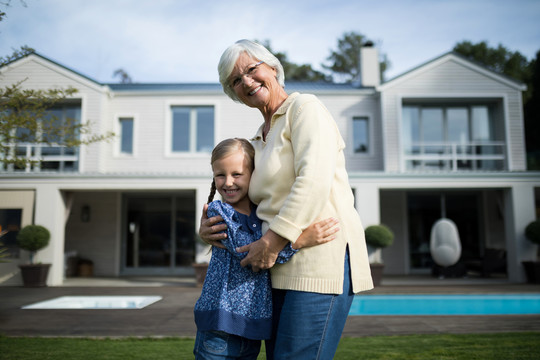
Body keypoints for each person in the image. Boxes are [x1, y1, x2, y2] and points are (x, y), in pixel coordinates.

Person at [200, 39, 374, 360]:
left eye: (252, 70)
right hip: (273, 272)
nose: (247, 82)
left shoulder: (304, 108)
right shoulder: (257, 139)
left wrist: (273, 241)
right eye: (236, 80)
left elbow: (314, 180)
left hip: (319, 262)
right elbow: (248, 203)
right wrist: (211, 227)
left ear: (273, 67)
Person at [194, 138, 339, 359]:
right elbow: (251, 255)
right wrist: (299, 240)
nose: (228, 182)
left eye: (237, 174)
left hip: (250, 329)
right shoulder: (219, 211)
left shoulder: (262, 213)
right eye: (220, 175)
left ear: (254, 175)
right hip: (220, 328)